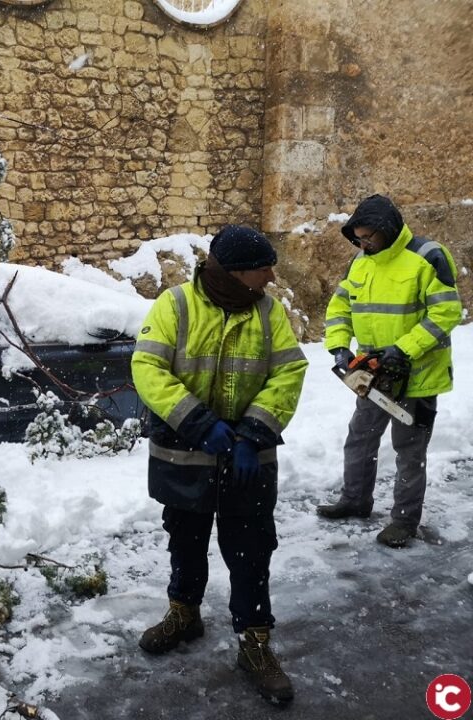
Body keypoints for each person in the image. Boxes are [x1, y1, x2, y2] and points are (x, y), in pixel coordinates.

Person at [131, 225, 308, 706]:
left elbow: (290, 370)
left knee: (251, 550)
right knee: (185, 541)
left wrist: (253, 433)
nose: (272, 275)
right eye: (263, 267)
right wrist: (198, 422)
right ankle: (184, 614)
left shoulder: (269, 312)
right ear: (235, 272)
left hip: (250, 459)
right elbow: (147, 368)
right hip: (185, 452)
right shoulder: (176, 305)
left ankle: (255, 644)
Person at [317, 194, 462, 547]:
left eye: (369, 237)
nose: (363, 244)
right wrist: (339, 345)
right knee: (360, 437)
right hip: (373, 373)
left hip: (417, 375)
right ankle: (355, 499)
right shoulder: (360, 263)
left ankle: (404, 520)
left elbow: (446, 312)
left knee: (409, 450)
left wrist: (404, 349)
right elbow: (340, 307)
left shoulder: (427, 256)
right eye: (359, 238)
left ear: (389, 230)